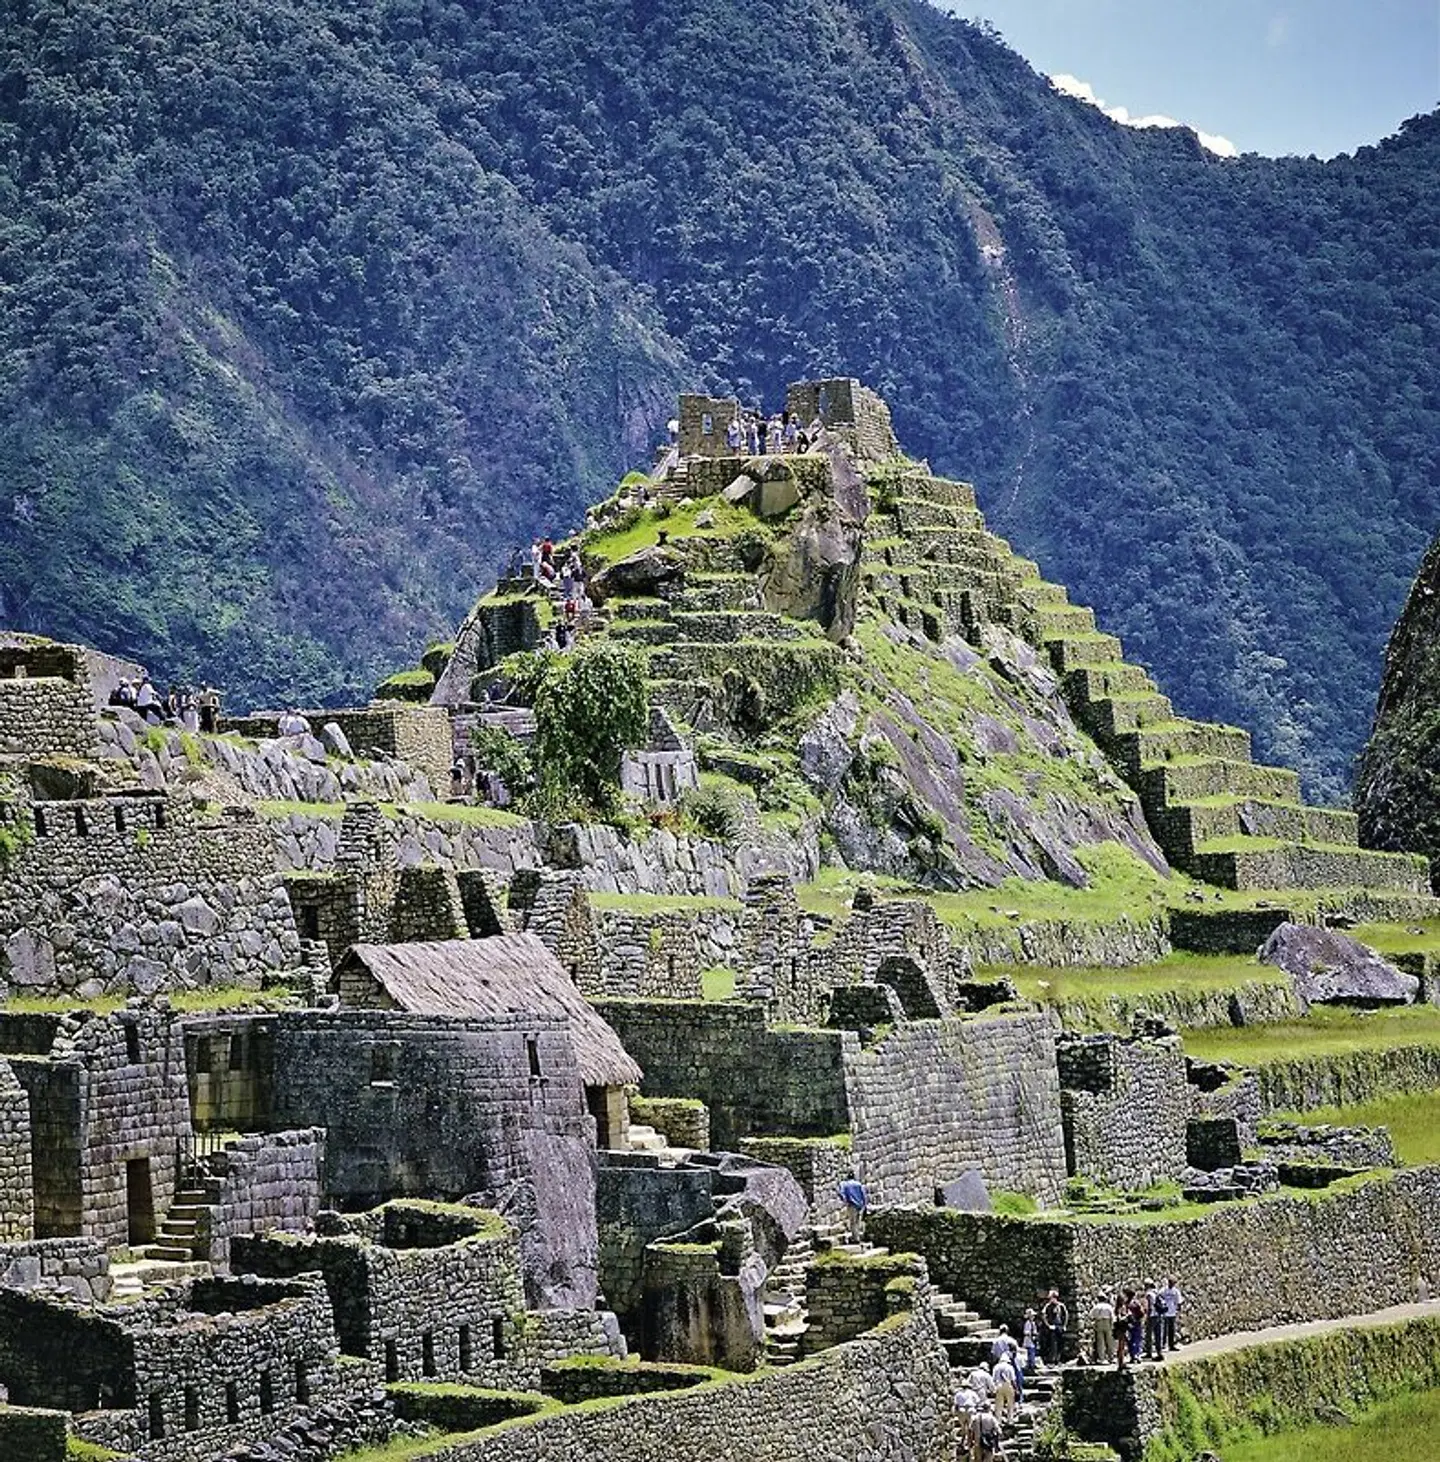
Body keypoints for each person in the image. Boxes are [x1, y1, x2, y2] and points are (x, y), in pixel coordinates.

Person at [837, 1173, 868, 1243]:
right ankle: (858, 1235)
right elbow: (863, 1194)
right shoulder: (859, 1184)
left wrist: (845, 1200)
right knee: (857, 1221)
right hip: (859, 1205)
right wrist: (864, 1204)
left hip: (852, 1204)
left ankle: (856, 1238)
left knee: (853, 1222)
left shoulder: (845, 1185)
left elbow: (841, 1193)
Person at [1040, 1289, 1068, 1367]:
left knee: (1060, 1344)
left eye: (1052, 1297)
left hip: (1060, 1326)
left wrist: (1064, 1325)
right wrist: (1048, 1325)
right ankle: (1052, 1360)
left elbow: (1066, 1315)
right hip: (1053, 1327)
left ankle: (1058, 1360)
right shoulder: (1048, 1306)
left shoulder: (1061, 1306)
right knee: (1053, 1344)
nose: (1051, 1299)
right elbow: (1043, 1315)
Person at [1090, 1291, 1116, 1365]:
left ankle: (1102, 1358)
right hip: (1107, 1322)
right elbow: (1112, 1316)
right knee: (1110, 1341)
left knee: (1100, 1341)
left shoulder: (1096, 1307)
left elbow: (1091, 1315)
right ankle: (1111, 1357)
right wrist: (1112, 1325)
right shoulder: (1108, 1306)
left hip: (1099, 1322)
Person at [991, 1351, 1017, 1424]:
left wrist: (993, 1389)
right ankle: (1010, 1420)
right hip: (1008, 1385)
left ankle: (998, 1421)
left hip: (998, 1385)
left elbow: (993, 1379)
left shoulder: (996, 1367)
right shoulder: (1010, 1367)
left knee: (998, 1405)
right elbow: (1013, 1379)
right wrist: (1016, 1388)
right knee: (1010, 1404)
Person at [1160, 1276, 1183, 1351]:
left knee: (1172, 1330)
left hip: (1172, 1312)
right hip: (1165, 1312)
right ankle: (1163, 1345)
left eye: (1173, 1283)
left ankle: (1171, 1345)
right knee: (1164, 1329)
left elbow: (1179, 1301)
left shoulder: (1175, 1291)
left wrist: (1178, 1310)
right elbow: (1159, 1297)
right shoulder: (1163, 1290)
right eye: (1170, 1282)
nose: (1171, 1284)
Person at [1144, 1279, 1164, 1360]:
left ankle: (1149, 1352)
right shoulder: (1156, 1292)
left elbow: (1149, 1306)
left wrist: (1147, 1316)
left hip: (1152, 1316)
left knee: (1149, 1335)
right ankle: (1159, 1352)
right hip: (1158, 1315)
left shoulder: (1149, 1294)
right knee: (1158, 1335)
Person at [1021, 1307, 1039, 1373]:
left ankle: (1032, 1364)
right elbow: (1026, 1332)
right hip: (1029, 1340)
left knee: (1032, 1352)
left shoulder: (1033, 1323)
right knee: (1030, 1352)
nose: (1033, 1317)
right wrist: (1031, 1334)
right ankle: (1030, 1365)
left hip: (1033, 1340)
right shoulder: (1027, 1323)